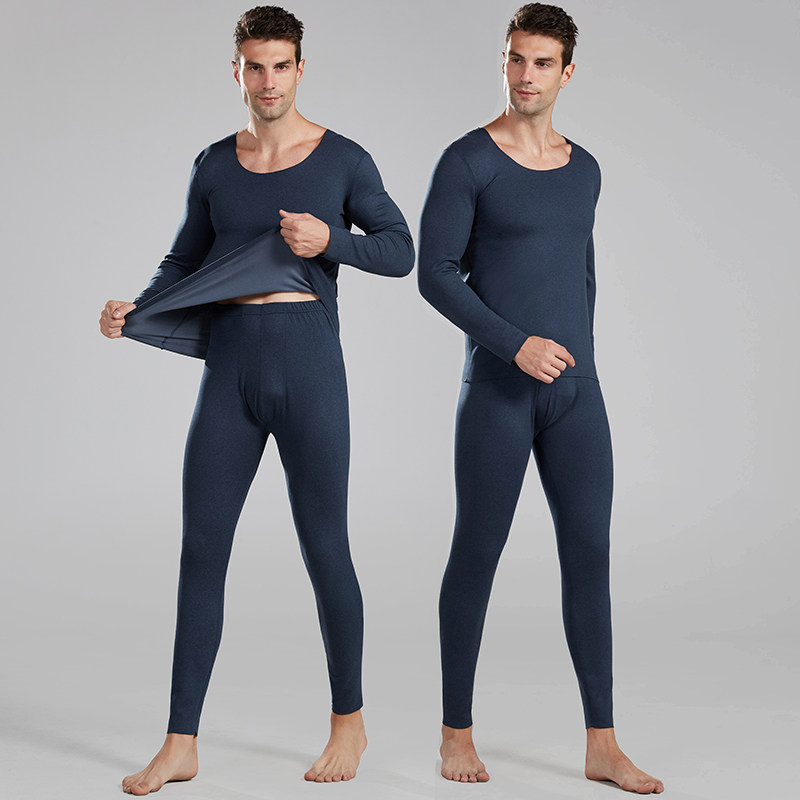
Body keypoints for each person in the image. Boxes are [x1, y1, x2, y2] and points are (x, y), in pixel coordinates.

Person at [99, 5, 413, 793]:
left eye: (280, 66)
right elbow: (183, 261)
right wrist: (136, 306)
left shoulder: (343, 159)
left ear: (300, 69)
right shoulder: (213, 163)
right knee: (202, 549)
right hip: (231, 372)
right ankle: (180, 743)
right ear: (235, 71)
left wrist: (331, 241)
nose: (268, 82)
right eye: (254, 67)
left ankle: (350, 723)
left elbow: (400, 250)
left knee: (324, 546)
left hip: (309, 367)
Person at [418, 3, 663, 793]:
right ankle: (456, 733)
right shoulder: (467, 161)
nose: (527, 76)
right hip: (498, 390)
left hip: (575, 396)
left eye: (543, 63)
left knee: (589, 555)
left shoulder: (585, 169)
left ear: (567, 72)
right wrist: (514, 344)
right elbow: (435, 274)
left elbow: (579, 274)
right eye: (516, 59)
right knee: (477, 553)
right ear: (503, 62)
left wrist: (575, 359)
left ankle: (603, 743)